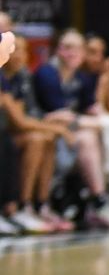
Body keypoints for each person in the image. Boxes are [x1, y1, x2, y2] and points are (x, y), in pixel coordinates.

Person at [33, 29, 109, 228]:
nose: (71, 53)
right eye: (66, 48)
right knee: (91, 136)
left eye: (77, 49)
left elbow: (95, 109)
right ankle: (99, 201)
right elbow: (60, 117)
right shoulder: (47, 73)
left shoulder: (81, 78)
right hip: (50, 133)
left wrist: (105, 82)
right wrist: (99, 122)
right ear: (57, 50)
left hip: (70, 133)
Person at [0, 34, 75, 233]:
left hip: (7, 133)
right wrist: (57, 128)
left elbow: (20, 118)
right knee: (35, 139)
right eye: (14, 49)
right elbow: (20, 122)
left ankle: (39, 205)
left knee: (45, 139)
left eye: (23, 50)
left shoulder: (19, 77)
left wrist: (51, 128)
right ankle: (18, 206)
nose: (18, 55)